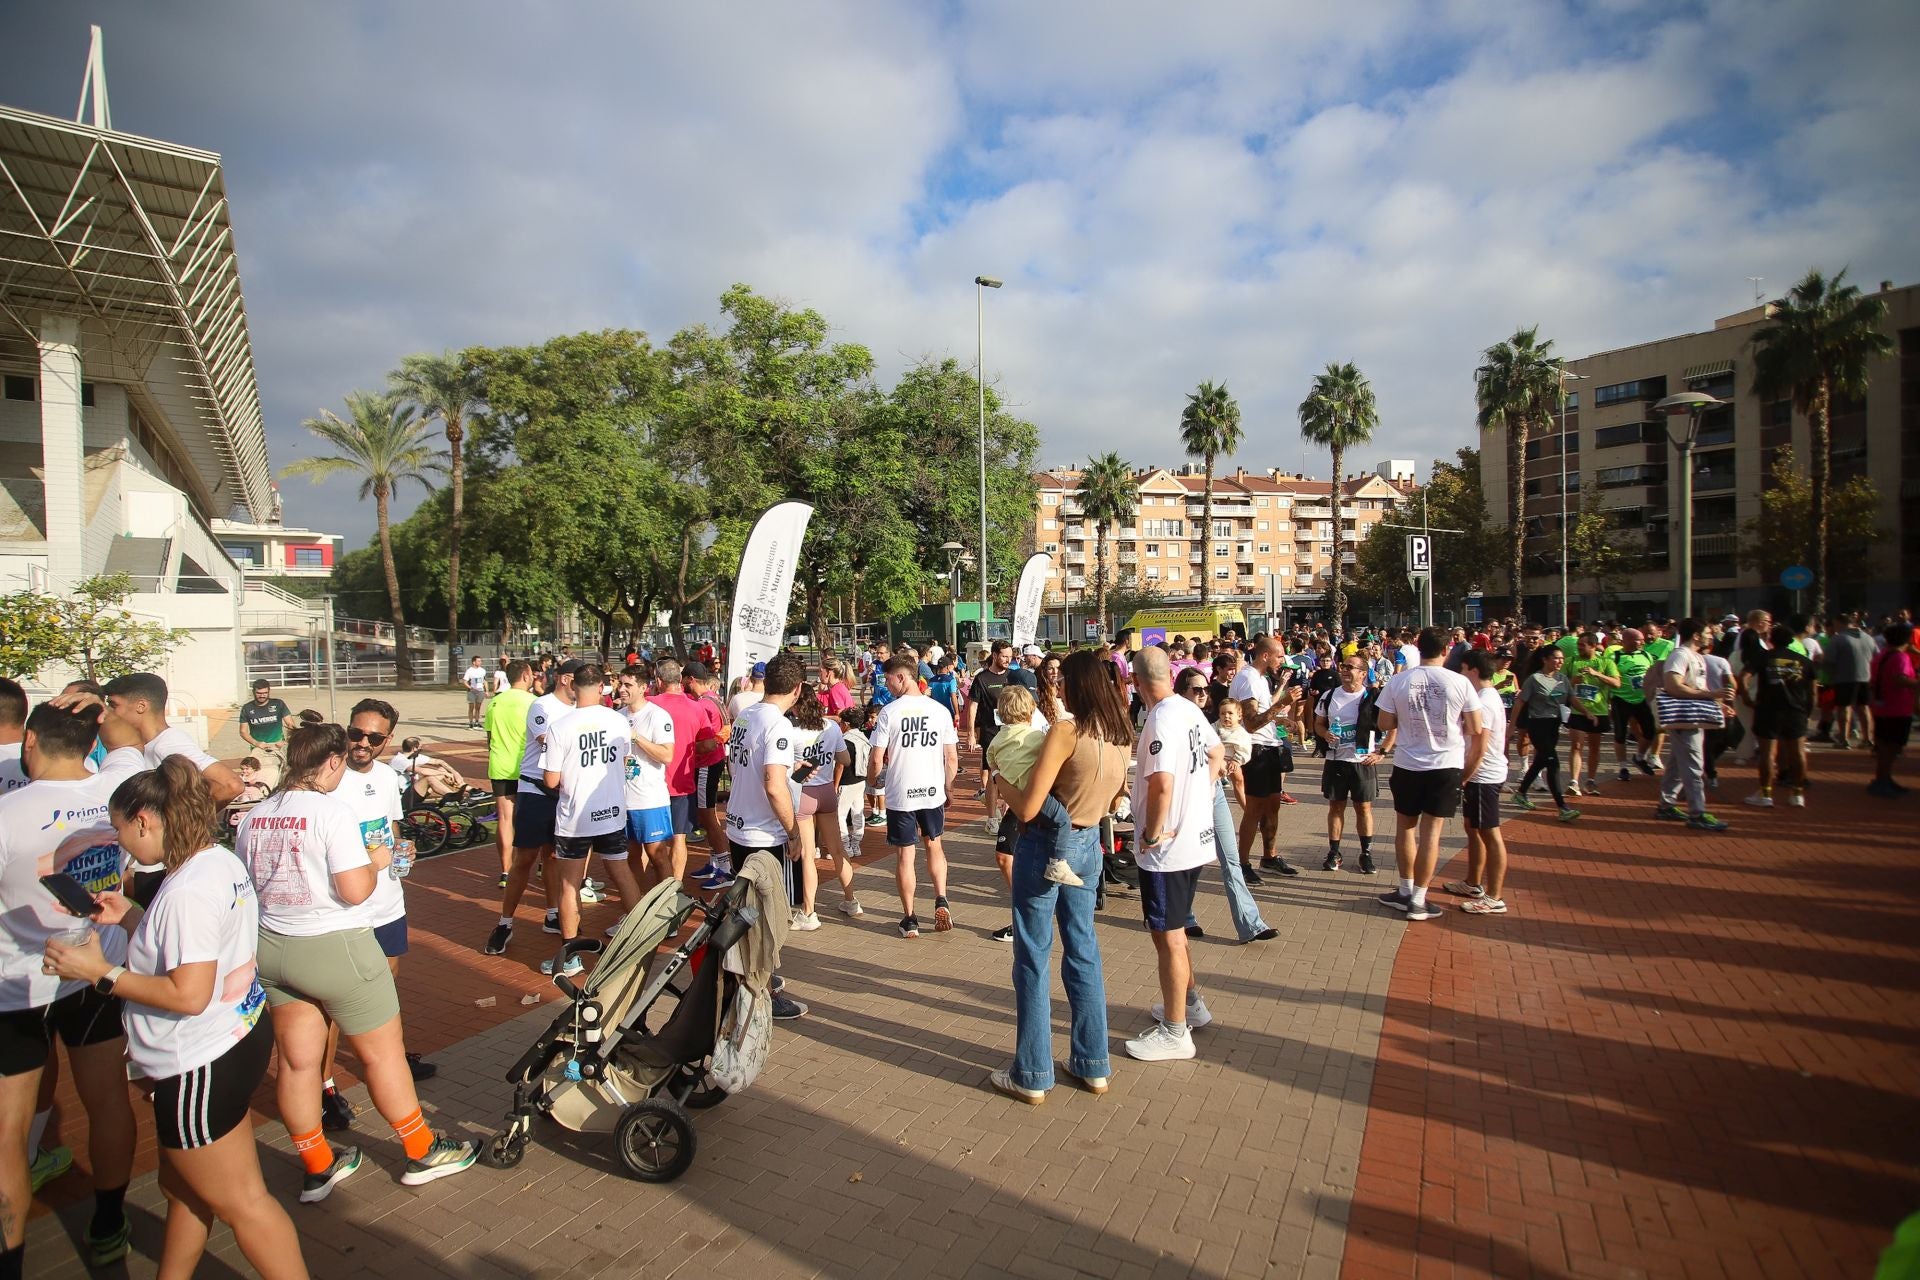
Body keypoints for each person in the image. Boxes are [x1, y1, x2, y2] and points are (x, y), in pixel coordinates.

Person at [44, 760, 309, 1279]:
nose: (120, 842)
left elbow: (188, 994)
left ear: (144, 819)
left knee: (244, 1204)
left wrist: (100, 972)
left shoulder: (186, 891)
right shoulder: (213, 861)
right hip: (234, 1038)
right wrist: (131, 917)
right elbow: (194, 950)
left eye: (119, 828)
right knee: (184, 1187)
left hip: (198, 1064)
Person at [236, 723, 477, 1203]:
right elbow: (354, 889)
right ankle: (422, 1149)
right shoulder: (330, 812)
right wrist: (376, 860)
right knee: (383, 1054)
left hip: (273, 946)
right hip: (335, 944)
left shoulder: (255, 816)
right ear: (330, 761)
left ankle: (317, 1164)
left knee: (298, 1063)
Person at [0, 699, 142, 1271]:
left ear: (29, 742)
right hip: (93, 972)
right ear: (90, 744)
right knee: (107, 1100)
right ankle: (109, 1222)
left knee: (9, 1129)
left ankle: (10, 1255)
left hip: (14, 987)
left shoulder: (8, 813)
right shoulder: (116, 796)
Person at [988, 649, 1129, 1101]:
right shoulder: (1122, 730)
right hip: (1089, 844)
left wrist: (998, 780)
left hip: (1046, 842)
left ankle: (1032, 1073)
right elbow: (1114, 800)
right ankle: (1093, 1064)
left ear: (1076, 684)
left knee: (1032, 955)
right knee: (1083, 949)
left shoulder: (1068, 731)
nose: (1058, 686)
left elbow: (1028, 805)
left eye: (1063, 680)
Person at [324, 698, 433, 1136]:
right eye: (355, 733)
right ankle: (324, 1086)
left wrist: (404, 853)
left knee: (386, 983)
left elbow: (392, 829)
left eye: (373, 737)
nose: (361, 743)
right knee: (334, 1001)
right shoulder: (327, 776)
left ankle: (392, 1055)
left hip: (387, 902)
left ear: (388, 740)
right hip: (344, 907)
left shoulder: (389, 777)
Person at [1122, 647, 1221, 1062]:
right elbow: (1217, 754)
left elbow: (1161, 783)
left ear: (1136, 681)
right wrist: (1201, 794)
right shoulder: (1187, 708)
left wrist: (1151, 831)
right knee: (1175, 930)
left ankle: (1176, 1031)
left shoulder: (1162, 715)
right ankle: (1190, 1004)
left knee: (1168, 937)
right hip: (1192, 839)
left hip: (1168, 850)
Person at [100, 673, 243, 906]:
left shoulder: (167, 743)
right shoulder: (148, 745)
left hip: (160, 869)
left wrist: (183, 826)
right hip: (148, 867)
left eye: (114, 705)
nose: (110, 713)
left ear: (141, 706)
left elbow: (230, 785)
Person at [719, 653, 809, 1020]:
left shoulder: (747, 714)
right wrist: (793, 831)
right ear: (798, 689)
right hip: (763, 834)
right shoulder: (777, 724)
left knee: (745, 914)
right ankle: (761, 992)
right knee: (768, 920)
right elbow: (774, 785)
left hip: (740, 827)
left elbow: (744, 767)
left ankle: (747, 981)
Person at [1374, 627, 1485, 923]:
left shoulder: (1399, 680)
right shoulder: (1459, 682)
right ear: (1447, 650)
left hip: (1408, 763)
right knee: (1431, 833)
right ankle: (1419, 899)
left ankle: (1406, 889)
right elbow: (1475, 727)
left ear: (1417, 648)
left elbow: (1384, 723)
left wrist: (1408, 716)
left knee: (1405, 828)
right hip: (1445, 765)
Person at [541, 665, 643, 976]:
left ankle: (571, 955)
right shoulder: (617, 720)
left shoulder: (561, 726)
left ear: (573, 687)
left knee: (569, 884)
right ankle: (640, 939)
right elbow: (625, 760)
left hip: (576, 819)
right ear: (601, 687)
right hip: (611, 812)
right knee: (621, 873)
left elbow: (550, 779)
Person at [1171, 670, 1276, 944]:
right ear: (1181, 691)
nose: (1203, 694)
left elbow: (1231, 749)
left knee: (1231, 859)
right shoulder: (1172, 722)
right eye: (1196, 689)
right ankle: (1183, 917)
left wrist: (1231, 763)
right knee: (1190, 862)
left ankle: (1250, 924)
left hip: (1214, 793)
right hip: (1188, 798)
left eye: (1205, 689)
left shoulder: (1208, 723)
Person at [485, 661, 576, 955]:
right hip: (535, 789)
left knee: (552, 855)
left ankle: (552, 915)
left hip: (563, 792)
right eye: (581, 681)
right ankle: (505, 923)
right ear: (565, 679)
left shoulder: (581, 710)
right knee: (524, 859)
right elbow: (547, 741)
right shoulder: (542, 706)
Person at [869, 655, 960, 938]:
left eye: (888, 679)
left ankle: (910, 918)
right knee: (934, 846)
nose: (887, 684)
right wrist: (948, 786)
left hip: (900, 793)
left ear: (902, 677)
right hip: (932, 791)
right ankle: (941, 898)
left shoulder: (889, 712)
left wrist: (873, 783)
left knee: (905, 856)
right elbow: (951, 757)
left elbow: (876, 758)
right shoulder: (939, 711)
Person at [986, 685, 1078, 890]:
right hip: (1036, 792)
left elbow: (992, 762)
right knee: (1062, 820)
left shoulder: (996, 740)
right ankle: (1058, 862)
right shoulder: (1035, 736)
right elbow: (1049, 758)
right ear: (1030, 713)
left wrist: (1000, 774)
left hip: (1014, 793)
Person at [1312, 653, 1392, 873]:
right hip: (1336, 760)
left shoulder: (1374, 696)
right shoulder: (1329, 695)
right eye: (1343, 666)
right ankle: (1334, 853)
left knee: (1363, 808)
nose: (1345, 670)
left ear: (1363, 673)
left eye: (1351, 667)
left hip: (1362, 761)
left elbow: (1393, 725)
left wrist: (1382, 752)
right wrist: (1325, 733)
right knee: (1335, 807)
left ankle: (1366, 853)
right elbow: (1318, 724)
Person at [1229, 638, 1301, 877]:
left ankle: (1269, 856)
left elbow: (1262, 715)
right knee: (1255, 808)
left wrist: (1281, 720)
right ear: (1265, 656)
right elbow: (1250, 724)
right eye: (1279, 656)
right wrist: (1282, 704)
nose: (1282, 661)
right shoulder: (1248, 678)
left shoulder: (1260, 679)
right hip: (1256, 749)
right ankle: (1243, 863)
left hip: (1270, 746)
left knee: (1272, 805)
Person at [1447, 652, 1513, 915]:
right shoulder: (1484, 697)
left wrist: (1463, 778)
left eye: (1462, 670)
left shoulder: (1484, 702)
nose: (1460, 676)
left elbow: (1479, 748)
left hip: (1483, 776)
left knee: (1489, 832)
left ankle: (1495, 896)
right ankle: (1473, 883)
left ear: (1472, 670)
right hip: (1479, 776)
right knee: (1473, 828)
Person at [1652, 619, 1734, 830]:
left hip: (1692, 716)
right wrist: (1712, 695)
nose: (1711, 635)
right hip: (1685, 717)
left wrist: (1718, 705)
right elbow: (1673, 686)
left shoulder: (1697, 657)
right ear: (1696, 635)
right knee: (1693, 766)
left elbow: (1698, 687)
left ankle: (1666, 805)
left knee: (1677, 764)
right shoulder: (1680, 655)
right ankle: (1697, 812)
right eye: (1707, 632)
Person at [617, 665, 679, 892]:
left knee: (657, 855)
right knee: (630, 856)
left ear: (643, 688)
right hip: (622, 800)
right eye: (620, 683)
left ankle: (668, 908)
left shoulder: (657, 715)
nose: (621, 689)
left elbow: (667, 755)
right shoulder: (617, 717)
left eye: (627, 685)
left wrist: (636, 738)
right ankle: (638, 910)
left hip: (649, 800)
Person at [1746, 622, 1814, 809]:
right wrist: (1807, 711)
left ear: (1770, 640)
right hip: (1796, 710)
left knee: (1768, 753)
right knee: (1797, 752)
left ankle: (1766, 793)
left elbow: (1744, 676)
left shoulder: (1763, 657)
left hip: (1768, 709)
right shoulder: (1804, 661)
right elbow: (1812, 692)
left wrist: (1747, 699)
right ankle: (1797, 794)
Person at [1511, 645, 1581, 822]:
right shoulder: (1534, 679)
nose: (1560, 662)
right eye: (1556, 658)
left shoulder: (1563, 679)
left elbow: (1572, 698)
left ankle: (1521, 793)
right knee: (1553, 762)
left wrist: (1587, 713)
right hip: (1537, 724)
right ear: (1545, 659)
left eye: (1562, 659)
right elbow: (1520, 702)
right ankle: (1562, 807)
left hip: (1554, 724)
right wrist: (1512, 726)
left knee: (1541, 761)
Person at [483, 659, 536, 889]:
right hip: (528, 768)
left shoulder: (495, 702)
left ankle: (505, 871)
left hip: (500, 766)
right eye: (532, 673)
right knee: (536, 817)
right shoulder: (535, 703)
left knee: (505, 819)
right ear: (525, 675)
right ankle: (543, 865)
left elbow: (489, 737)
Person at [967, 640, 1017, 834]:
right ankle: (991, 818)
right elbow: (973, 706)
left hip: (1011, 732)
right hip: (990, 733)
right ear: (994, 655)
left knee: (1011, 774)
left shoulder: (1012, 676)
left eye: (1010, 657)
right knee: (993, 776)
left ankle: (1009, 812)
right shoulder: (982, 678)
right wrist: (971, 733)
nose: (1007, 660)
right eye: (1004, 656)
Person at [1564, 632, 1620, 796]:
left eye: (1583, 645)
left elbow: (1616, 683)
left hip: (1599, 710)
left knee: (1594, 748)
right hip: (1577, 710)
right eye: (1578, 644)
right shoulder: (1572, 661)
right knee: (1577, 745)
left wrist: (1597, 675)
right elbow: (1559, 682)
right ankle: (1574, 781)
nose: (1579, 647)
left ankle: (1590, 781)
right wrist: (1572, 681)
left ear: (1593, 646)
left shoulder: (1606, 662)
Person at [1867, 622, 1915, 797]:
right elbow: (1899, 679)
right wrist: (1916, 684)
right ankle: (1884, 780)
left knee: (1883, 745)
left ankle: (1882, 778)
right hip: (1897, 707)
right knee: (1892, 747)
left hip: (1882, 706)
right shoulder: (1900, 658)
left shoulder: (1882, 655)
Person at [1826, 613, 1878, 750]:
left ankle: (1844, 738)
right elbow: (1876, 656)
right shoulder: (1868, 638)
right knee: (1864, 707)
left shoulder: (1838, 639)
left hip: (1844, 678)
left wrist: (1829, 675)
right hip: (1865, 677)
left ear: (1840, 623)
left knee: (1844, 707)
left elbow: (1829, 661)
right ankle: (1867, 739)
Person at [236, 680, 295, 784]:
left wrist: (286, 742)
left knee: (282, 773)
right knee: (254, 773)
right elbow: (243, 732)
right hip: (258, 747)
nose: (262, 696)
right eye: (259, 693)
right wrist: (257, 743)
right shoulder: (247, 708)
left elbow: (291, 725)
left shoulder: (278, 704)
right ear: (254, 692)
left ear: (269, 691)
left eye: (265, 693)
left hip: (278, 745)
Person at [462, 656, 488, 729]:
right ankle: (471, 723)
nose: (480, 662)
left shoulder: (482, 670)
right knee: (471, 707)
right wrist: (470, 687)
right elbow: (465, 681)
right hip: (472, 692)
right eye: (478, 661)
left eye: (480, 661)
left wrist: (486, 690)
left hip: (480, 691)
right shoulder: (469, 671)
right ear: (474, 662)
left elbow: (485, 681)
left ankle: (477, 722)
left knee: (478, 707)